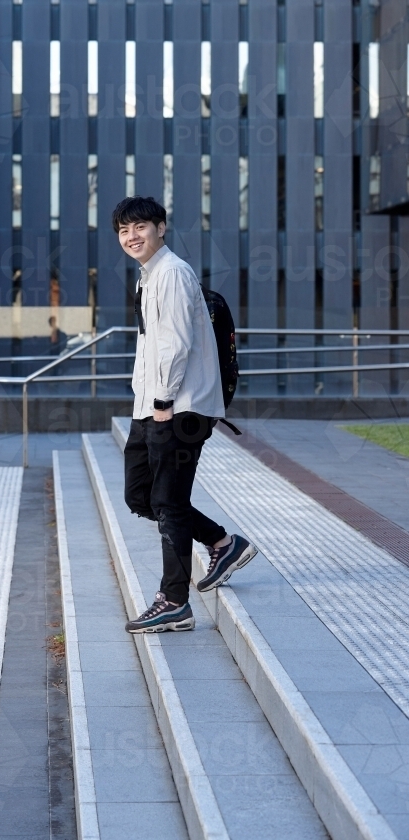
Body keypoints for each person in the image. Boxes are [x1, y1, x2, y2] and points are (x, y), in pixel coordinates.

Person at [113, 195, 257, 633]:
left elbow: (176, 344)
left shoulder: (173, 274)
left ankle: (174, 600)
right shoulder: (147, 277)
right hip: (153, 406)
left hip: (179, 408)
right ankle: (220, 541)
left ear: (160, 228)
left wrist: (161, 402)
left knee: (169, 502)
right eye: (123, 231)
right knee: (140, 496)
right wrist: (146, 401)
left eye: (140, 227)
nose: (131, 236)